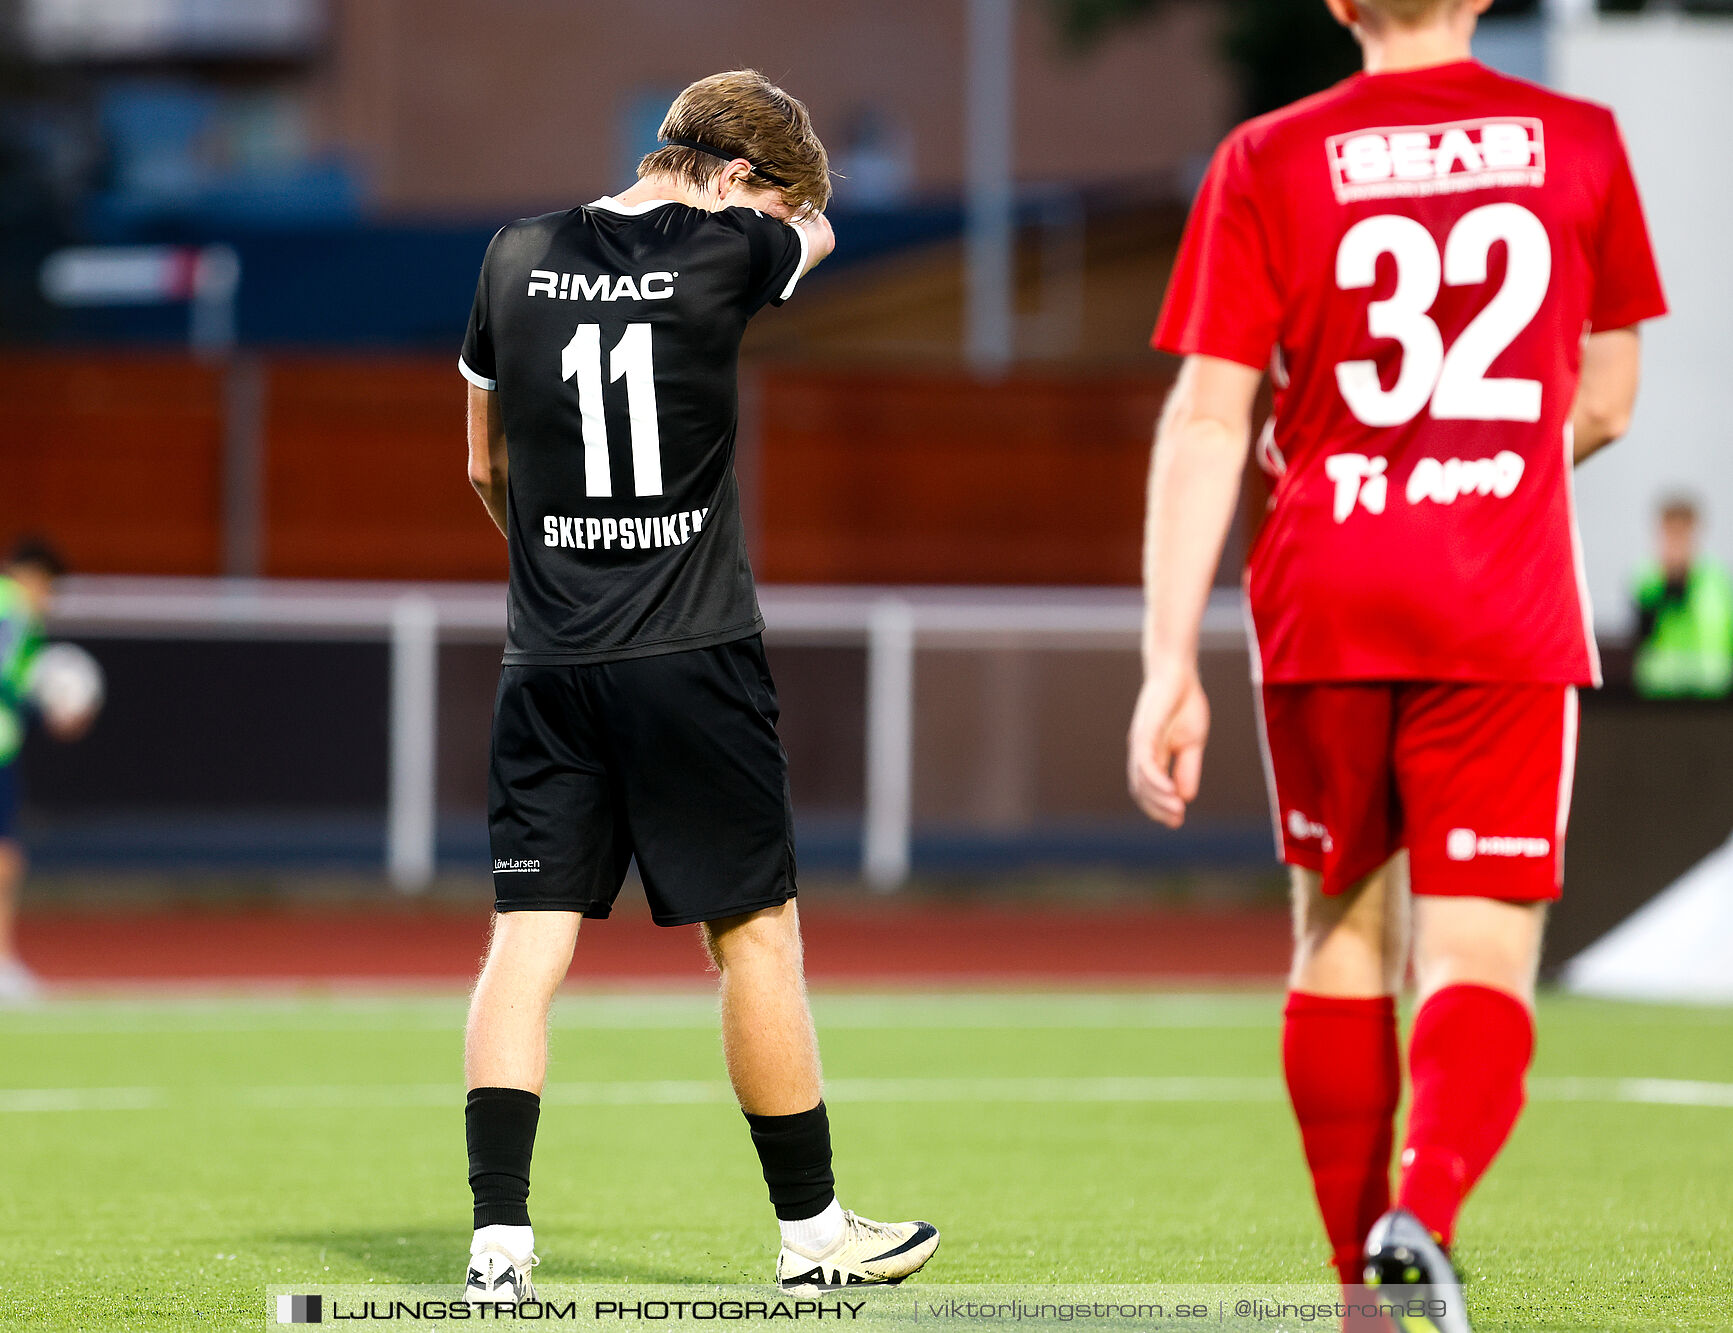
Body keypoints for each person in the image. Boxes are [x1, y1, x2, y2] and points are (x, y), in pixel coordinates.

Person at [1128, 1, 1665, 1328]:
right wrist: (1481, 479)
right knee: (1477, 956)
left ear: (1338, 4)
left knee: (1341, 937)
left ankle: (1354, 1294)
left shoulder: (1266, 156)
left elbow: (1208, 416)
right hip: (1500, 594)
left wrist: (1165, 662)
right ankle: (1418, 1212)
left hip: (1328, 589)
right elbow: (1604, 398)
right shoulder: (1579, 142)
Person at [456, 70, 938, 1303]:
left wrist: (564, 562)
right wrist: (775, 209)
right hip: (691, 653)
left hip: (547, 657)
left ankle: (498, 1245)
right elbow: (814, 233)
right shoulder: (734, 246)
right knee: (755, 938)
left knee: (526, 943)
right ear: (735, 180)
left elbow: (482, 463)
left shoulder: (511, 255)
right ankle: (814, 1233)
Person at [0, 538, 73, 1003]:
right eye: (49, 588)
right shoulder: (14, 608)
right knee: (5, 861)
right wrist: (50, 701)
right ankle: (3, 965)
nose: (50, 601)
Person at [1631, 497, 1733, 699]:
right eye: (1671, 534)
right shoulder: (1648, 579)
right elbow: (1641, 633)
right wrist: (1670, 581)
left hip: (1714, 691)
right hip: (1660, 690)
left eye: (1682, 534)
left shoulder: (1716, 579)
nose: (1677, 543)